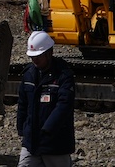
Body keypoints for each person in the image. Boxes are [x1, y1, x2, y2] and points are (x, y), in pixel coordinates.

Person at [17, 29, 75, 166]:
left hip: (55, 144)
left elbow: (64, 105)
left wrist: (47, 130)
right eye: (32, 57)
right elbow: (22, 103)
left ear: (50, 53)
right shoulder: (29, 74)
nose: (34, 60)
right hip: (31, 142)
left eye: (38, 56)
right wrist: (22, 128)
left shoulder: (63, 75)